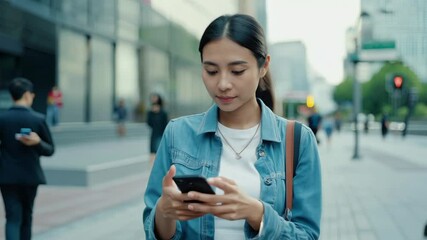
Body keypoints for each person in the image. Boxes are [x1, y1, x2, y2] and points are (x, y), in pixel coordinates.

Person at [143, 14, 321, 239]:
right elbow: (153, 230)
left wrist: (256, 213)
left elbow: (307, 235)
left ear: (263, 66)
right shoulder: (177, 134)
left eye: (237, 71)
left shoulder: (297, 140)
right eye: (211, 71)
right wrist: (164, 212)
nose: (223, 84)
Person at [0, 78, 55, 240]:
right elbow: (50, 150)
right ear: (27, 95)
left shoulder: (2, 119)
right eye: (32, 94)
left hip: (6, 176)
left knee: (12, 218)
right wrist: (37, 142)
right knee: (27, 217)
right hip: (30, 176)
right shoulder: (38, 119)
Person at [146, 93, 168, 164]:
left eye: (155, 97)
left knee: (159, 152)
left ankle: (159, 167)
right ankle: (152, 169)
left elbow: (165, 123)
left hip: (161, 134)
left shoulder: (163, 112)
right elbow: (149, 123)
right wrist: (153, 113)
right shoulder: (150, 112)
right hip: (154, 133)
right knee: (152, 151)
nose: (153, 99)